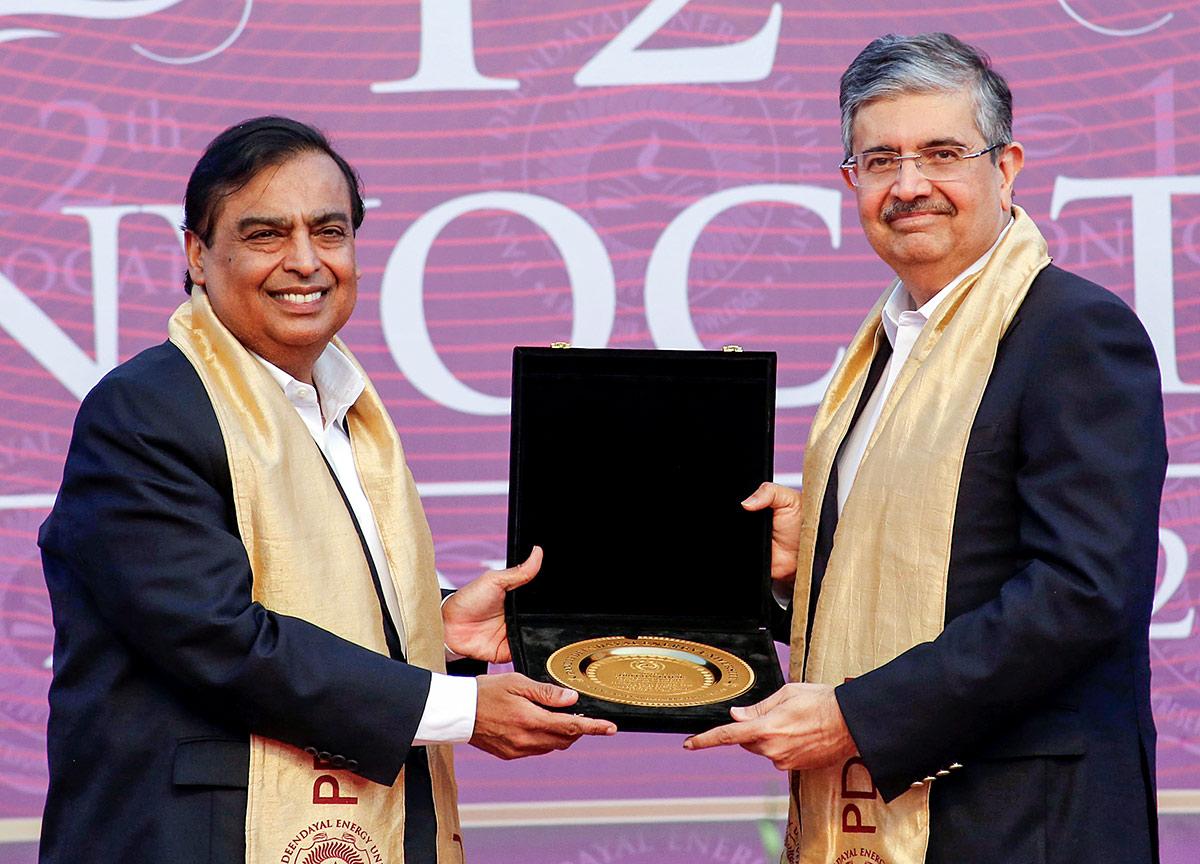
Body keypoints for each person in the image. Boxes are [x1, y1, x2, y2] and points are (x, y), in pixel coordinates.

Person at [37, 116, 615, 864]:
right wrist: (459, 710)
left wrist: (438, 632)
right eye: (266, 235)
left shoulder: (342, 410)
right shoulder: (145, 411)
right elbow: (216, 638)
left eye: (330, 231)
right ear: (196, 255)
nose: (305, 262)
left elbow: (312, 606)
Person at [686, 33, 1166, 864]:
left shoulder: (1072, 332)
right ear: (852, 182)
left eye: (942, 154)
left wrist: (856, 717)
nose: (910, 186)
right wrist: (807, 566)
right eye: (881, 161)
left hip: (1025, 821)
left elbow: (1082, 592)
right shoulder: (882, 350)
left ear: (1006, 165)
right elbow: (940, 560)